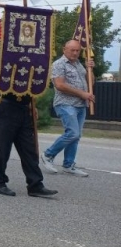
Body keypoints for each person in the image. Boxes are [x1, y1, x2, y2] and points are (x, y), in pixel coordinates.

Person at [0, 56, 58, 197]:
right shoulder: (2, 58)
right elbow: (0, 81)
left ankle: (35, 184)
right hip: (6, 106)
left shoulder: (31, 60)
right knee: (4, 148)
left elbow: (32, 85)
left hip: (23, 108)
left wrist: (32, 105)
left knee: (29, 149)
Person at [40, 40, 95, 177]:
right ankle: (48, 154)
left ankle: (68, 164)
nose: (75, 53)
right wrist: (83, 94)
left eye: (78, 50)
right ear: (64, 49)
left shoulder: (78, 65)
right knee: (72, 133)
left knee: (76, 136)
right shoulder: (59, 64)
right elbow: (60, 85)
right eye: (72, 50)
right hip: (65, 103)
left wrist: (90, 70)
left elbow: (90, 82)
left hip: (80, 105)